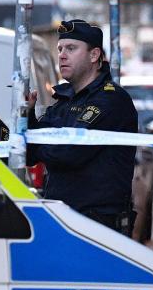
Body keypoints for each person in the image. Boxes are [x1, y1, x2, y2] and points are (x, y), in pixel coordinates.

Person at [25, 19, 139, 236]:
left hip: (98, 224)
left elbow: (68, 152)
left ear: (94, 55)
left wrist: (40, 142)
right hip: (63, 218)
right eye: (60, 49)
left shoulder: (110, 100)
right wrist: (29, 116)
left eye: (71, 48)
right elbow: (30, 153)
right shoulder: (65, 100)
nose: (62, 55)